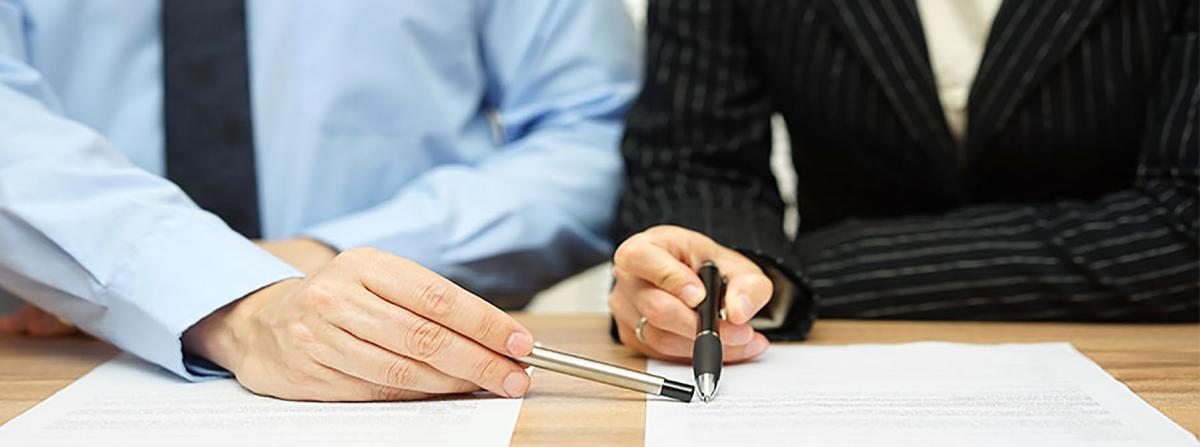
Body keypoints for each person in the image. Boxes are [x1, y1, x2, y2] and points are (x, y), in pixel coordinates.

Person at [0, 0, 639, 401]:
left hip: (389, 369)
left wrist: (318, 258)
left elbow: (593, 131)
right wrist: (208, 290)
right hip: (60, 345)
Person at [609, 0, 1198, 363]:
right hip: (825, 362)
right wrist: (701, 274)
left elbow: (1187, 222)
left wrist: (799, 275)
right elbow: (691, 162)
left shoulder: (811, 271)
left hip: (1145, 354)